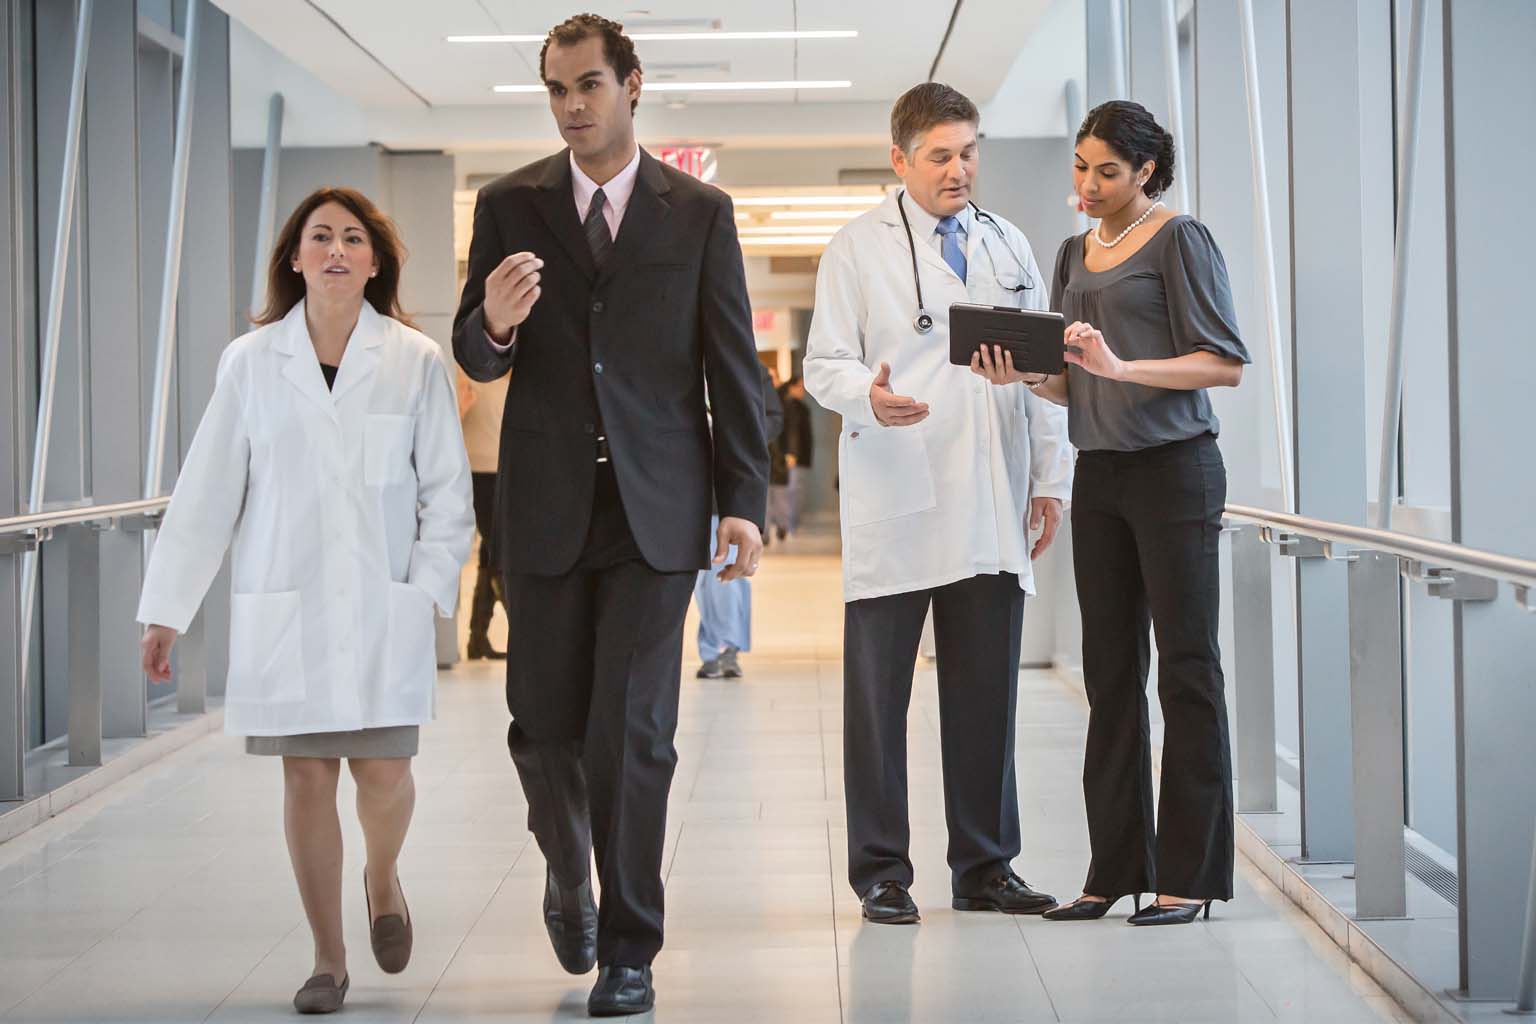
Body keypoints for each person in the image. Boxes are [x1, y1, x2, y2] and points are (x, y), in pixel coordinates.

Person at [451, 14, 767, 1017]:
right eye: (557, 89)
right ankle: (566, 869)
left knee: (633, 732)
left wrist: (744, 502)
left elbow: (733, 369)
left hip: (656, 512)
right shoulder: (509, 207)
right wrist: (493, 323)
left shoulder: (699, 213)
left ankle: (630, 947)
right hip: (544, 505)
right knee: (543, 729)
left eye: (589, 84)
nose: (573, 105)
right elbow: (475, 347)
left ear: (633, 83)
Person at [136, 187, 475, 1013]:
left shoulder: (413, 359)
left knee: (385, 775)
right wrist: (167, 607)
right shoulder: (250, 364)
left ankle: (383, 876)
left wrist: (422, 594)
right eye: (318, 237)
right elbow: (209, 489)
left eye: (352, 238)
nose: (334, 250)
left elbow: (447, 490)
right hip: (288, 610)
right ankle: (328, 957)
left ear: (373, 261)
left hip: (380, 610)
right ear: (294, 258)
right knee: (306, 777)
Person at [804, 82, 1073, 927]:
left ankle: (986, 866)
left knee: (986, 691)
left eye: (968, 152)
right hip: (900, 487)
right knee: (878, 700)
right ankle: (882, 871)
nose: (959, 170)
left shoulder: (1007, 243)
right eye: (940, 156)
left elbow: (1047, 371)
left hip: (992, 492)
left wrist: (1050, 478)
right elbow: (824, 365)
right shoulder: (856, 249)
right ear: (900, 160)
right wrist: (867, 397)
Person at [977, 100, 1249, 925]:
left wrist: (1123, 365)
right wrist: (1022, 375)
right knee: (1111, 675)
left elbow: (1223, 366)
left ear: (1147, 174)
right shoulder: (1071, 253)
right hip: (1103, 476)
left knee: (1188, 671)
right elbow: (1070, 383)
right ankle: (1116, 869)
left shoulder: (1179, 239)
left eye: (1107, 171)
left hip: (1176, 473)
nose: (1088, 185)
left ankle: (1190, 876)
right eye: (1081, 167)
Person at [696, 366, 782, 679]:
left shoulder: (751, 370)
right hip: (685, 493)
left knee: (727, 571)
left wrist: (733, 431)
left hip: (729, 494)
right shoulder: (679, 361)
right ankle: (713, 648)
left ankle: (724, 649)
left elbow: (773, 419)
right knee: (702, 581)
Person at [459, 371, 510, 659]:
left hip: (505, 472)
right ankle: (525, 630)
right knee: (500, 552)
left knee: (490, 555)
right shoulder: (471, 373)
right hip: (480, 473)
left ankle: (477, 638)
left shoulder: (510, 380)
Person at [778, 375, 814, 534]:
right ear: (792, 387)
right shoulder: (790, 406)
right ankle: (788, 526)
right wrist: (791, 453)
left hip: (798, 455)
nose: (803, 390)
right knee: (792, 491)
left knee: (794, 491)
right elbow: (792, 431)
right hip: (793, 456)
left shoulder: (798, 406)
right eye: (800, 387)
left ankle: (790, 525)